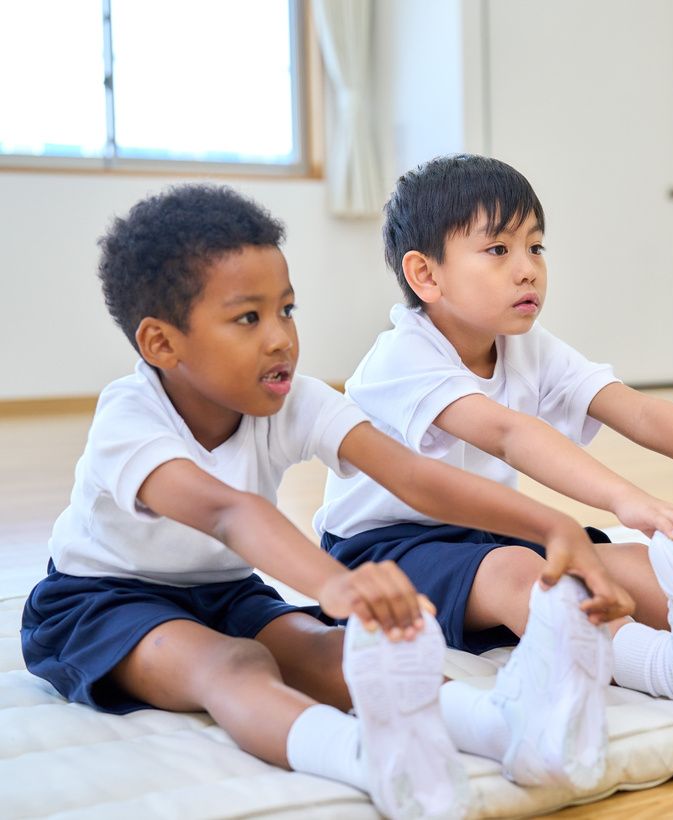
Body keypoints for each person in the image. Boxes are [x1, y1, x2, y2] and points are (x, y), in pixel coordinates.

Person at [20, 185, 634, 820]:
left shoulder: (297, 400)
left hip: (226, 591)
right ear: (161, 345)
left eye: (286, 310)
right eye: (247, 318)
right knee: (233, 664)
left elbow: (415, 477)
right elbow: (230, 513)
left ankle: (500, 727)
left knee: (331, 649)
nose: (281, 338)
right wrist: (340, 585)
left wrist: (552, 524)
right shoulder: (130, 417)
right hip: (102, 600)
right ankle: (367, 760)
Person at [314, 153, 673, 717]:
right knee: (529, 576)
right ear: (425, 275)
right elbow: (510, 434)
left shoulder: (525, 345)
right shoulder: (402, 356)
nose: (527, 268)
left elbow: (635, 412)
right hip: (382, 550)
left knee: (629, 561)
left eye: (535, 246)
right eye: (498, 250)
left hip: (485, 528)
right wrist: (629, 499)